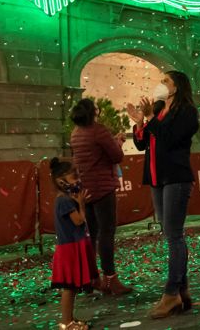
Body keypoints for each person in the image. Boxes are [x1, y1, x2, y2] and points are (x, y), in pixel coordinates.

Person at [127, 71, 199, 319]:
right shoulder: (158, 109)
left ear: (177, 87)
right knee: (170, 234)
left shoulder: (188, 112)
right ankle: (182, 292)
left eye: (166, 81)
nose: (161, 84)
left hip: (176, 178)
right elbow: (142, 143)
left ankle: (171, 294)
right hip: (157, 178)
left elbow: (170, 139)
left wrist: (149, 118)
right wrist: (140, 123)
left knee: (174, 235)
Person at [70, 98, 132, 295]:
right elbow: (116, 157)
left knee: (91, 234)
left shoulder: (76, 133)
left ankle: (91, 278)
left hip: (85, 188)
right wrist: (117, 142)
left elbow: (93, 152)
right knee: (106, 232)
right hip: (103, 187)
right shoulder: (98, 130)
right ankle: (111, 279)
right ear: (93, 112)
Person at [49, 157, 99, 330]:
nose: (78, 181)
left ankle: (69, 318)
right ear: (61, 181)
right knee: (69, 288)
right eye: (74, 177)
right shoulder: (63, 200)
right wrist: (81, 204)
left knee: (72, 288)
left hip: (73, 246)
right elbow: (78, 221)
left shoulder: (66, 198)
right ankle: (66, 322)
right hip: (69, 249)